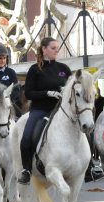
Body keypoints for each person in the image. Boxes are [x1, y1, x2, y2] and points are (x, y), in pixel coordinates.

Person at [17, 37, 72, 184]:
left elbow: (73, 89)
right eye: (53, 48)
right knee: (27, 136)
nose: (56, 51)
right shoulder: (35, 69)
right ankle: (26, 170)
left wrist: (66, 90)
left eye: (57, 48)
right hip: (40, 109)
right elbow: (28, 93)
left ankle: (89, 166)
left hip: (60, 110)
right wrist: (47, 93)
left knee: (82, 130)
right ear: (44, 49)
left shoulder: (64, 69)